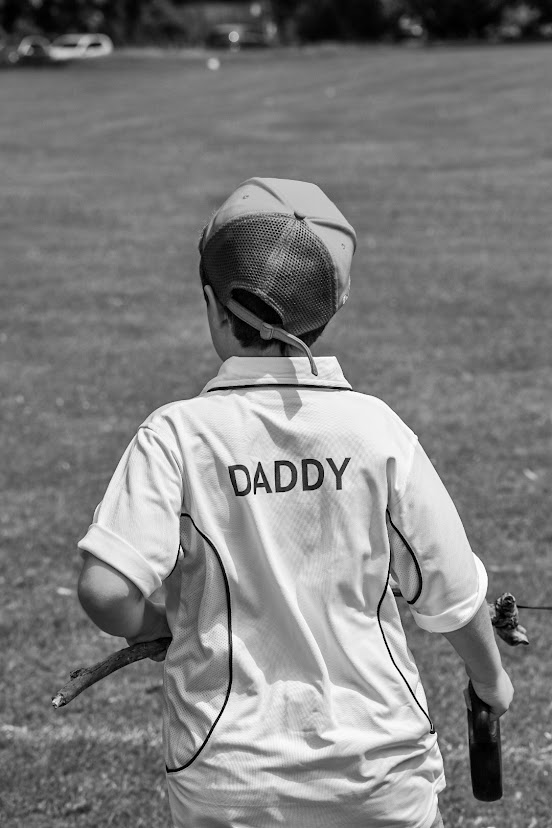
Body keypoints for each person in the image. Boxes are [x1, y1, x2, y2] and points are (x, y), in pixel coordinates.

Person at [77, 178, 514, 828]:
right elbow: (450, 595)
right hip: (381, 769)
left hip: (228, 776)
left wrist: (157, 623)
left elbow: (107, 591)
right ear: (336, 303)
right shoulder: (376, 429)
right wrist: (490, 681)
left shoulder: (175, 433)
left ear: (213, 305)